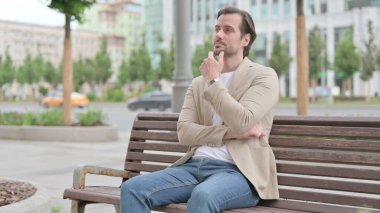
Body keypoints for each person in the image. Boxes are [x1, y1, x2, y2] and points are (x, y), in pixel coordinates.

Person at [120, 7, 279, 213]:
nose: (219, 34)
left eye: (228, 30)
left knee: (203, 196)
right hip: (193, 167)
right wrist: (228, 133)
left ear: (245, 40)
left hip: (240, 173)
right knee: (132, 188)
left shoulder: (263, 76)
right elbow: (184, 132)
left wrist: (214, 81)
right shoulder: (198, 83)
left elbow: (243, 120)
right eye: (217, 28)